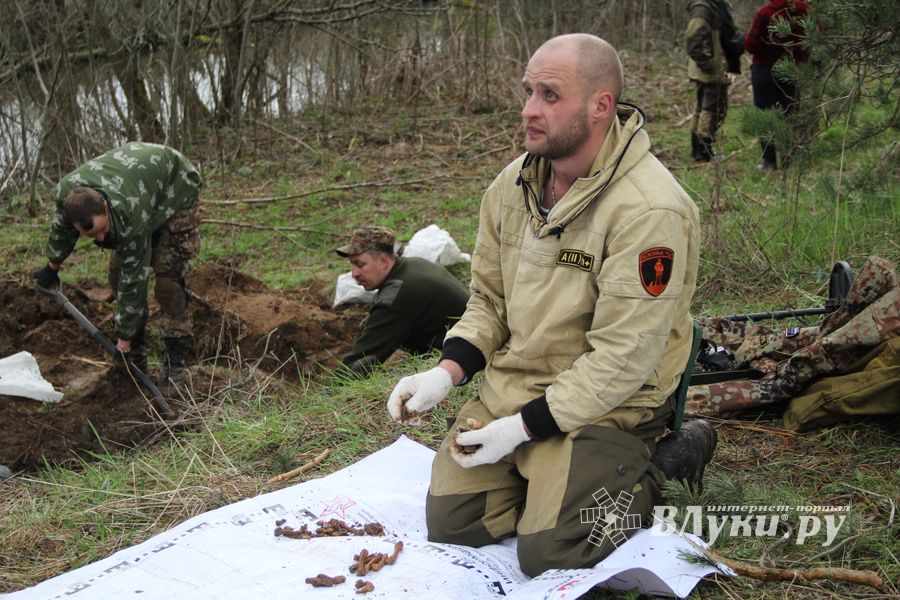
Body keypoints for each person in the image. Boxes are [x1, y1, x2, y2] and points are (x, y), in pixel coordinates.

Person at [386, 34, 715, 576]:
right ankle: (548, 475)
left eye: (549, 95)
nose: (529, 110)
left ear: (600, 106)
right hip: (518, 384)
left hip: (611, 403)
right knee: (454, 524)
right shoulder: (511, 185)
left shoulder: (651, 210)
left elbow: (623, 359)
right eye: (528, 91)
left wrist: (521, 429)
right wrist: (446, 373)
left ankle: (661, 463)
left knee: (550, 552)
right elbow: (489, 299)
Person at [31, 142, 202, 393]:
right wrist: (52, 266)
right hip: (140, 185)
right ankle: (138, 364)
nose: (101, 240)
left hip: (174, 187)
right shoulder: (67, 195)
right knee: (116, 275)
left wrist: (122, 340)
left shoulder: (129, 215)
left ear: (105, 207)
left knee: (168, 284)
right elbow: (61, 230)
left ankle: (175, 368)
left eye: (103, 231)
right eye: (92, 236)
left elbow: (135, 280)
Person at [336, 226, 470, 375]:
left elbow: (364, 355)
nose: (354, 273)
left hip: (465, 352)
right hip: (472, 334)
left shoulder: (397, 295)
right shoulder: (414, 263)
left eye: (360, 264)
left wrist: (333, 388)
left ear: (383, 261)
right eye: (352, 265)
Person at [745, 0, 812, 170]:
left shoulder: (766, 13)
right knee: (789, 114)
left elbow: (751, 46)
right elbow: (812, 40)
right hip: (790, 68)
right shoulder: (804, 11)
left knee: (765, 116)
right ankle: (787, 159)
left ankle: (769, 163)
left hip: (764, 71)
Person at [685, 0, 740, 162]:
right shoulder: (703, 8)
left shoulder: (714, 6)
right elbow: (693, 40)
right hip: (709, 71)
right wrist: (709, 65)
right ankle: (704, 153)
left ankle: (698, 151)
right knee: (711, 111)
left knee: (704, 110)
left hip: (712, 68)